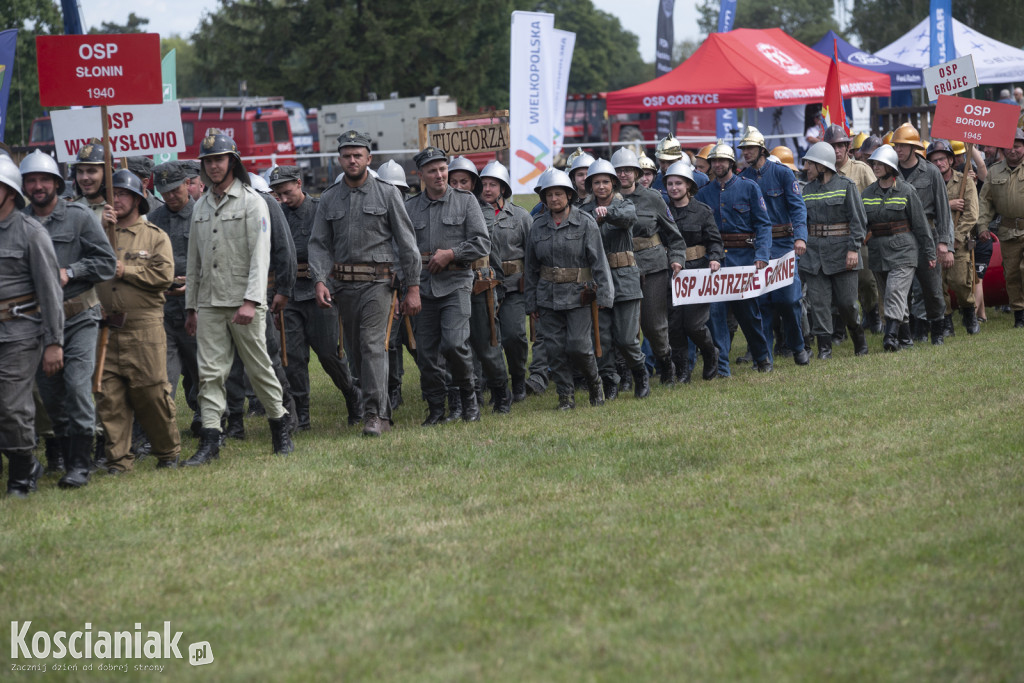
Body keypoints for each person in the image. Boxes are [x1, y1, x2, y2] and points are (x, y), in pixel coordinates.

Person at [184, 129, 294, 464]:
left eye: (218, 159)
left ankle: (280, 427)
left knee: (259, 369)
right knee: (210, 373)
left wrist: (251, 300)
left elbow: (261, 256)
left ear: (232, 161)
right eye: (208, 161)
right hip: (209, 302)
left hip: (243, 302)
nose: (213, 166)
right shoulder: (200, 205)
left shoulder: (252, 201)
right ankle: (211, 440)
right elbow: (194, 261)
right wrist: (191, 306)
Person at [307, 131, 421, 436]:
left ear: (369, 159)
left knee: (373, 347)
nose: (352, 160)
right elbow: (318, 244)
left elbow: (407, 244)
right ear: (339, 159)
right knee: (357, 353)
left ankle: (376, 415)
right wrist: (319, 280)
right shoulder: (329, 198)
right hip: (343, 287)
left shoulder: (387, 193)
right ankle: (374, 407)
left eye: (358, 155)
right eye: (347, 155)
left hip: (379, 284)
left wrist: (412, 287)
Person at [20, 150, 116, 487]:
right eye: (31, 180)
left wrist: (71, 270)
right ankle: (61, 452)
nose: (38, 186)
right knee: (51, 395)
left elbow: (106, 263)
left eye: (44, 179)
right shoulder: (19, 221)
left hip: (79, 316)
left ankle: (80, 465)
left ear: (57, 183)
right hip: (37, 323)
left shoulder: (79, 217)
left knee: (77, 388)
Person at [92, 170, 181, 473]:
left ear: (138, 199)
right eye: (112, 194)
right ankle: (118, 460)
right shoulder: (100, 234)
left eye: (123, 194)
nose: (116, 199)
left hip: (144, 328)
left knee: (151, 393)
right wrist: (102, 231)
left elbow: (164, 276)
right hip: (105, 328)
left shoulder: (154, 236)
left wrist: (125, 271)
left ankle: (167, 452)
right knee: (109, 397)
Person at [269, 163, 362, 430]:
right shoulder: (277, 214)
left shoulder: (322, 209)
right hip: (289, 295)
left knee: (329, 354)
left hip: (321, 292)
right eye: (278, 195)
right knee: (293, 359)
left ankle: (353, 396)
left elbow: (336, 249)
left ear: (299, 183)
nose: (283, 199)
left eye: (287, 192)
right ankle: (301, 418)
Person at [404, 146, 489, 425]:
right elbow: (402, 251)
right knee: (427, 354)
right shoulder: (410, 208)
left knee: (454, 344)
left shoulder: (466, 202)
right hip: (423, 288)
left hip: (456, 283)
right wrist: (408, 288)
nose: (439, 175)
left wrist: (452, 254)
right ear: (421, 175)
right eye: (432, 171)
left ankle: (469, 400)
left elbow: (482, 243)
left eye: (442, 169)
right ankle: (437, 409)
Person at [0, 155, 64, 497]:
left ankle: (21, 477)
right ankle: (27, 465)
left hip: (21, 332)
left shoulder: (30, 233)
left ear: (10, 192)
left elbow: (51, 290)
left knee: (13, 405)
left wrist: (55, 341)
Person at [524, 169, 613, 410]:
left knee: (579, 346)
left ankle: (595, 383)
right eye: (549, 195)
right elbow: (531, 267)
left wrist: (604, 294)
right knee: (555, 350)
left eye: (559, 194)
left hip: (579, 295)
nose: (554, 199)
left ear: (569, 195)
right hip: (547, 296)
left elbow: (599, 262)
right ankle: (566, 397)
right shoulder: (537, 226)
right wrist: (530, 302)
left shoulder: (585, 223)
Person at [222, 173, 300, 438]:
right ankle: (234, 421)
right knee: (228, 363)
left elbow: (284, 249)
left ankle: (286, 414)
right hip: (225, 295)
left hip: (259, 293)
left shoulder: (265, 201)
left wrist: (284, 289)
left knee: (267, 358)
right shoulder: (217, 203)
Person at [696, 141, 773, 375]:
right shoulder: (703, 193)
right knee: (715, 315)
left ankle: (762, 358)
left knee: (749, 314)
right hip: (715, 263)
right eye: (714, 161)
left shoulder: (749, 188)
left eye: (722, 160)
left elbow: (763, 224)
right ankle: (722, 368)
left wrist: (762, 255)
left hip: (743, 260)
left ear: (731, 163)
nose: (718, 165)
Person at [612, 147, 686, 384]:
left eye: (628, 170)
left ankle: (666, 363)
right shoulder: (606, 199)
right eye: (619, 170)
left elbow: (674, 235)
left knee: (654, 325)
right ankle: (627, 373)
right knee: (624, 327)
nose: (623, 174)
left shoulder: (653, 198)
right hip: (620, 270)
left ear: (636, 172)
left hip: (652, 268)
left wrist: (677, 258)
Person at [738, 126, 810, 364]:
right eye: (743, 148)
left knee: (788, 299)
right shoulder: (743, 179)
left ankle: (798, 346)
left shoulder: (782, 173)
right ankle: (764, 357)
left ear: (761, 149)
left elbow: (798, 207)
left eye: (749, 148)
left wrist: (800, 236)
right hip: (757, 248)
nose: (745, 152)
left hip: (785, 244)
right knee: (762, 303)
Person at [579, 158, 649, 398]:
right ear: (590, 186)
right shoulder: (583, 212)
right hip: (598, 281)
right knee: (603, 338)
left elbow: (627, 218)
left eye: (605, 182)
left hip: (625, 279)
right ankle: (609, 382)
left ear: (614, 184)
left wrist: (606, 213)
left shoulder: (625, 205)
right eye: (596, 182)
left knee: (627, 339)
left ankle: (640, 373)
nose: (601, 187)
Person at [448, 156, 510, 414]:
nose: (459, 186)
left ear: (473, 184)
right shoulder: (438, 208)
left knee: (486, 345)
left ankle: (501, 393)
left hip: (480, 285)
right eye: (454, 181)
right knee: (452, 346)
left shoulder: (481, 211)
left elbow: (491, 253)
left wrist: (498, 288)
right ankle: (463, 398)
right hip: (448, 284)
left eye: (465, 181)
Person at [862, 145, 935, 351]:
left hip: (904, 251)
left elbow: (921, 225)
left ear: (890, 167)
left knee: (895, 292)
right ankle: (906, 340)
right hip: (878, 253)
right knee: (892, 297)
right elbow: (860, 223)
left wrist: (929, 252)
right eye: (874, 163)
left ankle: (890, 337)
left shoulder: (906, 191)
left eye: (880, 164)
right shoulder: (867, 193)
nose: (875, 167)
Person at [799, 142, 868, 359]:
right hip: (813, 256)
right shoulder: (806, 190)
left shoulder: (846, 185)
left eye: (810, 163)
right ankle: (824, 349)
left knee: (847, 303)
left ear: (822, 164)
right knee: (819, 304)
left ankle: (859, 339)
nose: (806, 167)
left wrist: (853, 249)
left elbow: (859, 220)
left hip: (843, 254)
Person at [149, 161, 202, 438]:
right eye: (164, 190)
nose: (170, 195)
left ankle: (208, 418)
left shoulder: (204, 214)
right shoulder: (154, 220)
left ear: (187, 184)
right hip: (164, 309)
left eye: (174, 189)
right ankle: (162, 432)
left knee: (202, 372)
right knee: (163, 376)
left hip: (199, 308)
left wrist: (192, 285)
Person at [891, 122, 955, 345]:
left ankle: (937, 330)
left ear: (913, 148)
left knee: (932, 288)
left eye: (903, 145)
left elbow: (943, 209)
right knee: (903, 289)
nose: (898, 150)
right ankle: (913, 331)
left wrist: (945, 244)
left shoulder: (931, 171)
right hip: (900, 236)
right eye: (896, 145)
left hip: (928, 235)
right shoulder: (891, 171)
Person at [663, 160, 723, 382]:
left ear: (688, 185)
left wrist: (715, 259)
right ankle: (682, 371)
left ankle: (710, 353)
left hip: (696, 274)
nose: (674, 188)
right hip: (670, 275)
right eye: (670, 183)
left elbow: (715, 241)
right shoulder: (662, 211)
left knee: (694, 325)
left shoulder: (702, 211)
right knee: (675, 325)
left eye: (679, 183)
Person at [479, 160, 533, 403]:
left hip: (513, 287)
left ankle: (519, 378)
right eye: (484, 184)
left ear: (503, 188)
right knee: (491, 339)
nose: (487, 189)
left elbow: (533, 254)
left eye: (493, 184)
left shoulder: (520, 216)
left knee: (514, 336)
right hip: (484, 286)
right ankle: (497, 384)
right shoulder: (474, 214)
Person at [823, 124, 881, 336]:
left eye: (840, 145)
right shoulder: (822, 172)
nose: (837, 150)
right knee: (834, 284)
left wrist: (871, 230)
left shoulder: (861, 169)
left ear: (848, 147)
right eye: (832, 146)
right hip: (831, 237)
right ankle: (839, 327)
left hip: (861, 235)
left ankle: (872, 313)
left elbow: (877, 198)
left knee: (866, 280)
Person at [926, 140, 980, 335]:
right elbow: (926, 210)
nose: (938, 164)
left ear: (950, 159)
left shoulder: (964, 181)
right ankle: (946, 322)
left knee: (960, 282)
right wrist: (948, 204)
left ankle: (969, 315)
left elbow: (972, 214)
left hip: (960, 241)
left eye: (942, 159)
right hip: (934, 241)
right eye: (933, 161)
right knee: (938, 285)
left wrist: (955, 238)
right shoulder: (928, 185)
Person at [976, 128, 1024, 328]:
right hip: (1007, 231)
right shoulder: (994, 171)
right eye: (1009, 146)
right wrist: (982, 226)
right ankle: (1019, 316)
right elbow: (985, 201)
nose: (1013, 150)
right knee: (1011, 274)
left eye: (1018, 146)